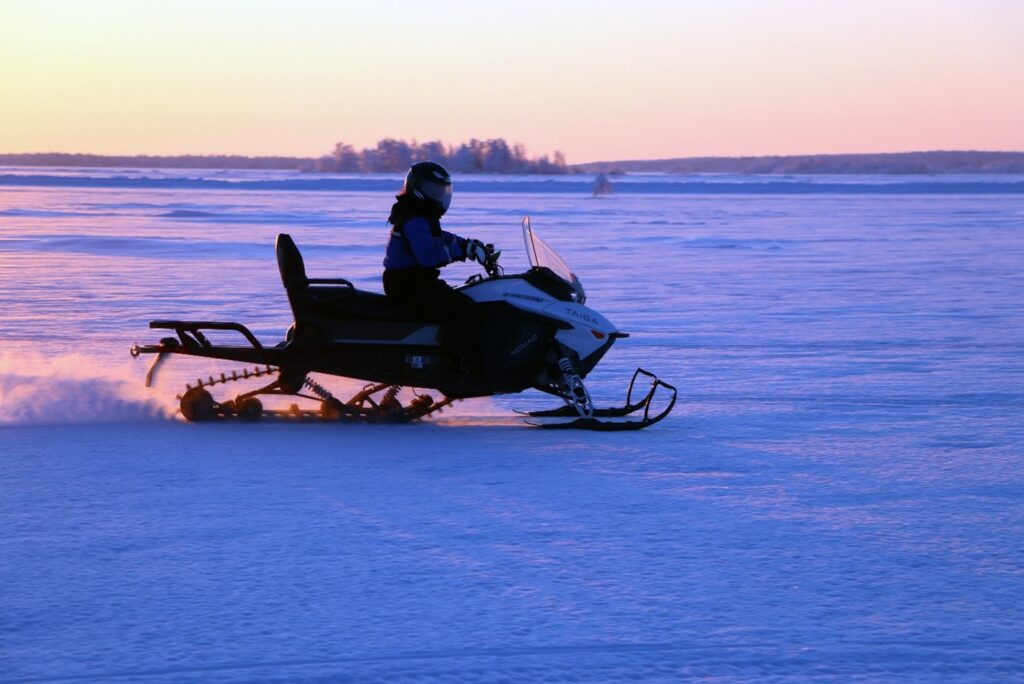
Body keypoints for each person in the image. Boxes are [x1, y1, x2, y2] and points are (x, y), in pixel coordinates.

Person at [382, 161, 492, 368]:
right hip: (408, 286)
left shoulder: (419, 214)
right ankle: (456, 364)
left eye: (441, 190)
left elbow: (439, 238)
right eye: (433, 189)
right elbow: (429, 256)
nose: (439, 195)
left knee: (463, 301)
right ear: (418, 189)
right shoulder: (414, 218)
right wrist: (462, 251)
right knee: (464, 309)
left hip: (415, 282)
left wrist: (466, 244)